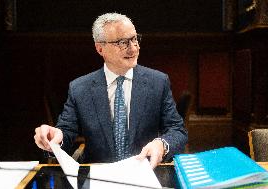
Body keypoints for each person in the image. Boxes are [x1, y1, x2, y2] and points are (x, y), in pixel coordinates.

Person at [34, 12, 188, 168]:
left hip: (145, 172)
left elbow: (177, 130)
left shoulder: (158, 82)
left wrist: (162, 144)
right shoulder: (80, 89)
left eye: (135, 39)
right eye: (123, 42)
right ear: (100, 49)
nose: (133, 48)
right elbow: (66, 132)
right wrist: (54, 138)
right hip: (99, 175)